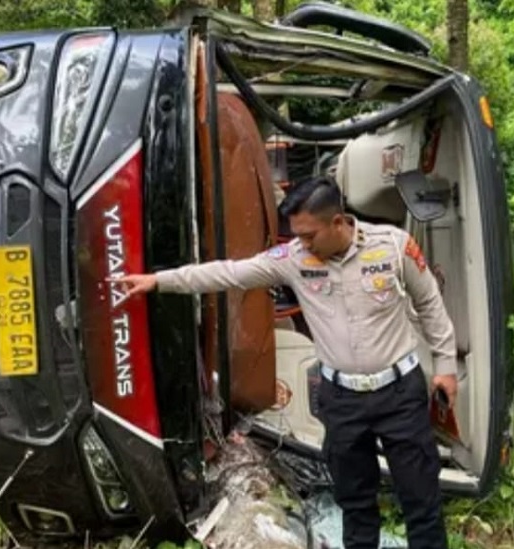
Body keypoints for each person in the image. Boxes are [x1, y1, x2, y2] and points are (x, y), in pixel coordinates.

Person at [111, 175, 457, 549]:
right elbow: (228, 272)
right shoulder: (294, 259)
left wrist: (446, 367)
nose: (302, 244)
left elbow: (430, 304)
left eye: (309, 235)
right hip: (342, 402)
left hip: (399, 395)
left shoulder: (393, 246)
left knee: (421, 500)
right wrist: (158, 281)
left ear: (337, 222)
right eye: (298, 236)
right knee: (356, 504)